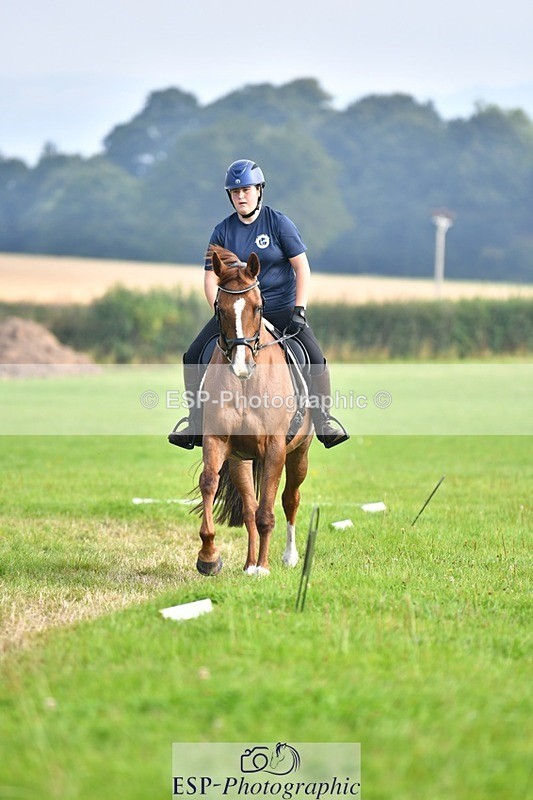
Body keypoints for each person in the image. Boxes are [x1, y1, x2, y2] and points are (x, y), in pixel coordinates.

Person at [168, 158, 349, 450]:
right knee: (193, 356)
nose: (241, 196)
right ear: (230, 195)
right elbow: (209, 279)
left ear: (259, 191)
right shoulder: (222, 231)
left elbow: (302, 268)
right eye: (235, 192)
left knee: (315, 357)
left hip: (280, 309)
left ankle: (324, 419)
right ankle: (195, 422)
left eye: (247, 190)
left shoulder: (279, 223)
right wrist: (222, 310)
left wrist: (299, 310)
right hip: (237, 314)